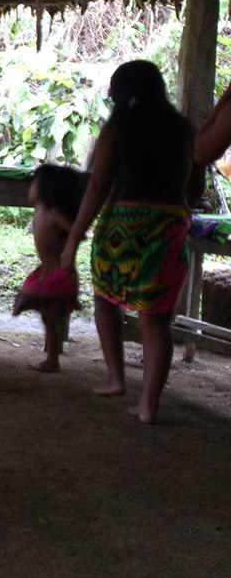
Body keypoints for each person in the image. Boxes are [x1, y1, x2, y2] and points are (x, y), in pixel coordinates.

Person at [61, 60, 202, 424]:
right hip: (169, 225)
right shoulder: (182, 128)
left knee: (105, 299)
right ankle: (148, 406)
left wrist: (73, 239)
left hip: (125, 224)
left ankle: (115, 379)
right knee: (156, 319)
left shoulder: (118, 127)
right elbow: (194, 185)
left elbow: (97, 185)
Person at [12, 165, 84, 372]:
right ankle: (52, 359)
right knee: (48, 316)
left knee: (51, 314)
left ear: (47, 188)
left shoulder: (53, 213)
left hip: (60, 273)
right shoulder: (40, 210)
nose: (30, 187)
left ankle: (53, 359)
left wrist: (70, 247)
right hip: (46, 271)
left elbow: (77, 232)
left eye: (34, 183)